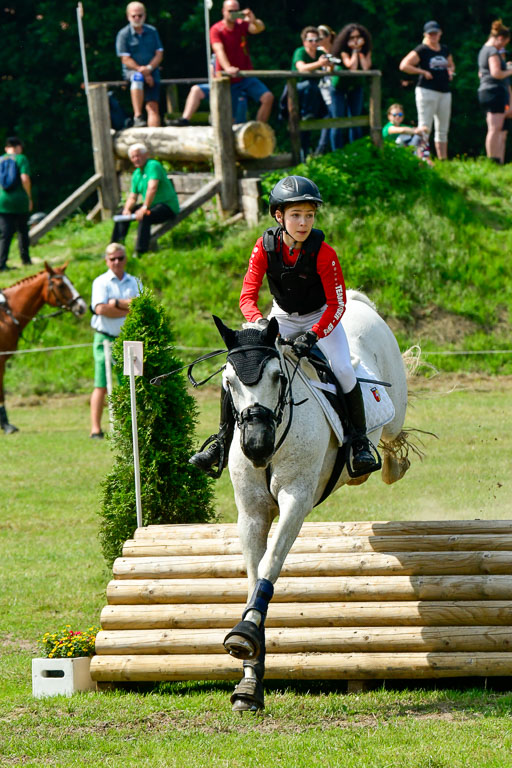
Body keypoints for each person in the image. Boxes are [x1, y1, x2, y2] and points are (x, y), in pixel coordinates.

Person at [190, 175, 379, 477]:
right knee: (239, 365)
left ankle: (359, 443)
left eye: (309, 215)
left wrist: (313, 335)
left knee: (343, 368)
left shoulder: (324, 253)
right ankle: (221, 442)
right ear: (279, 216)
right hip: (281, 317)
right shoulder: (264, 247)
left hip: (320, 318)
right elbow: (247, 297)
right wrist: (260, 322)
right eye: (295, 215)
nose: (303, 223)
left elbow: (337, 305)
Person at [170, 1, 273, 127]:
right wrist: (227, 68)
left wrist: (253, 20)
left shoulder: (242, 24)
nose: (233, 14)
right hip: (226, 79)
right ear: (223, 11)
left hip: (244, 76)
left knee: (267, 97)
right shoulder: (216, 29)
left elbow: (259, 28)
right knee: (196, 90)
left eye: (236, 11)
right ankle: (185, 120)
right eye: (231, 11)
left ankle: (258, 129)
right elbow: (219, 50)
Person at [89, 243, 141, 438]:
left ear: (125, 259)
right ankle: (96, 428)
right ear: (107, 261)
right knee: (101, 382)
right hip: (104, 337)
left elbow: (141, 306)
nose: (116, 262)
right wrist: (128, 307)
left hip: (128, 338)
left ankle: (128, 425)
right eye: (113, 259)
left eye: (120, 258)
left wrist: (116, 303)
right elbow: (100, 309)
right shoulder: (100, 282)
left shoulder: (134, 282)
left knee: (129, 383)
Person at [399, 20, 455, 160]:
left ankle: (443, 160)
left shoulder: (444, 49)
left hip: (444, 91)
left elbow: (451, 65)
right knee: (425, 127)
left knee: (443, 129)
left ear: (440, 33)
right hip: (427, 90)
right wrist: (422, 72)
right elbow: (404, 65)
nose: (433, 36)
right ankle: (423, 158)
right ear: (426, 35)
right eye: (431, 34)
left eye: (435, 33)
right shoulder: (422, 49)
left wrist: (450, 72)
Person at [111, 143, 179, 256]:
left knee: (145, 216)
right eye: (133, 157)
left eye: (138, 156)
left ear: (146, 155)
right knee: (121, 215)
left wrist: (144, 208)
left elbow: (152, 188)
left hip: (167, 206)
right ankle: (115, 248)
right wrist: (127, 209)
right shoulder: (137, 174)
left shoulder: (153, 165)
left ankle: (140, 251)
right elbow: (133, 196)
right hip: (152, 205)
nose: (136, 159)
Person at [115, 2, 164, 127]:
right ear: (128, 16)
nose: (137, 18)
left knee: (153, 107)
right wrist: (141, 71)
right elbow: (125, 59)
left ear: (145, 15)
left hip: (152, 71)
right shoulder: (123, 34)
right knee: (137, 78)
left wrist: (148, 69)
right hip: (132, 72)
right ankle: (137, 116)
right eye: (134, 16)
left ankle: (155, 139)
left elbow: (159, 54)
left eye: (140, 15)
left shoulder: (152, 31)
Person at [477, 19, 512, 164]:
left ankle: (496, 161)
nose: (503, 46)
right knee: (494, 128)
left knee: (496, 128)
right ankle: (493, 161)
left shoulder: (486, 50)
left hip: (490, 92)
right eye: (504, 43)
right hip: (493, 92)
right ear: (500, 38)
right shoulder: (491, 51)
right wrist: (510, 70)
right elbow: (496, 73)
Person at [291, 26, 329, 157]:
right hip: (298, 92)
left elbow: (328, 71)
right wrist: (319, 64)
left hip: (315, 94)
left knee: (329, 115)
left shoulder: (320, 53)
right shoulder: (300, 51)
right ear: (304, 42)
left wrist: (329, 63)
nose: (314, 43)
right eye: (311, 40)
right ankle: (301, 155)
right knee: (309, 85)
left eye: (316, 39)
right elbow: (301, 68)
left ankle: (320, 152)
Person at [331, 23, 372, 143]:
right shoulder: (343, 51)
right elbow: (352, 67)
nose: (355, 40)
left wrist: (360, 52)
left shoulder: (366, 50)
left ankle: (355, 151)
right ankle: (336, 153)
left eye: (358, 37)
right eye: (352, 38)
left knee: (355, 119)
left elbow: (365, 68)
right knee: (337, 120)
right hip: (339, 87)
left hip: (355, 86)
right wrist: (354, 50)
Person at [0, 137, 32, 271]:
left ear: (6, 148)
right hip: (20, 201)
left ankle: (1, 263)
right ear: (19, 147)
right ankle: (26, 260)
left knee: (5, 234)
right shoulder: (21, 158)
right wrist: (29, 197)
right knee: (23, 231)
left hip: (2, 202)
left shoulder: (1, 159)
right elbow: (24, 178)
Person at [316, 24, 346, 154]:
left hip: (334, 89)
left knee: (333, 119)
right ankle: (324, 150)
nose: (317, 40)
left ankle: (325, 151)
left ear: (329, 37)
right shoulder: (316, 52)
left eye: (321, 37)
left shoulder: (336, 51)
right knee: (332, 119)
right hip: (321, 91)